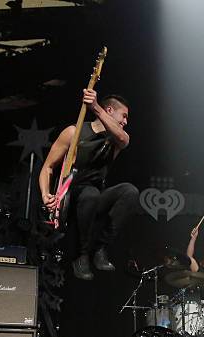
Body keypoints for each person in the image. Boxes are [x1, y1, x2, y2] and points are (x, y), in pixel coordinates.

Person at [39, 89, 139, 280]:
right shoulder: (73, 132)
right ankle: (81, 255)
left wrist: (95, 108)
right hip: (72, 198)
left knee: (130, 191)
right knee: (90, 193)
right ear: (110, 110)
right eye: (123, 116)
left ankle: (100, 248)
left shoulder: (117, 139)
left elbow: (123, 139)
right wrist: (46, 195)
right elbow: (48, 168)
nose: (126, 122)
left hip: (93, 199)